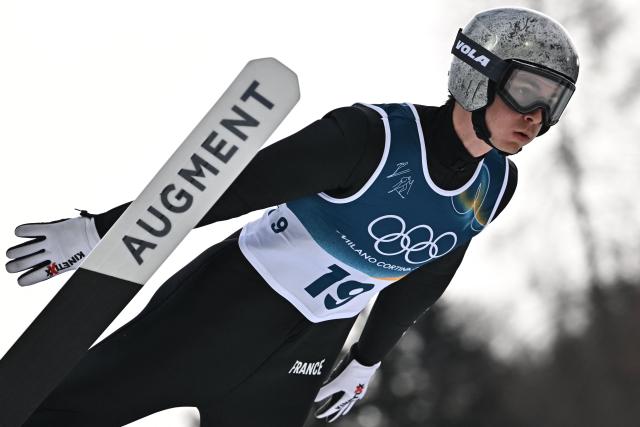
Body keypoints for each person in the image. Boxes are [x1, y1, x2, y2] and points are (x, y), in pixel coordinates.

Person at [4, 6, 579, 427]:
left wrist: (366, 359)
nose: (535, 115)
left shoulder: (496, 183)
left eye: (552, 101)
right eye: (526, 89)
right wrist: (106, 230)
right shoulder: (372, 138)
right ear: (477, 74)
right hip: (220, 311)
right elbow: (229, 187)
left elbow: (430, 269)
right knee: (62, 414)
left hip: (305, 352)